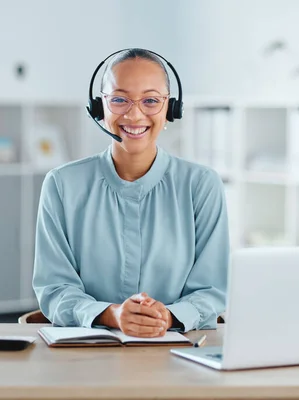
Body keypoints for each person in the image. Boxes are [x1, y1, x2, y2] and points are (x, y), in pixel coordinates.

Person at [33, 48, 229, 338]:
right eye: (119, 100)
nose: (135, 114)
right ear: (98, 107)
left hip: (179, 355)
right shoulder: (62, 185)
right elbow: (55, 289)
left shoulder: (201, 185)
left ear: (171, 108)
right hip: (86, 358)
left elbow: (212, 290)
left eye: (151, 100)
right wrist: (113, 315)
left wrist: (167, 316)